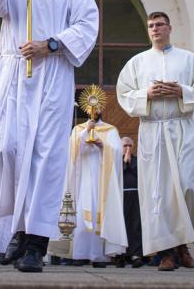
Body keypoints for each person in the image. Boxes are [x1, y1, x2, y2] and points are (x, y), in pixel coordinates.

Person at [0, 0, 99, 273]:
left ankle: (34, 244)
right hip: (13, 73)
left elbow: (87, 22)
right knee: (7, 148)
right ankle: (16, 224)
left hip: (51, 73)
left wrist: (52, 44)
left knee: (44, 157)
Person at [117, 11, 194, 271]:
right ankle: (167, 253)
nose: (155, 29)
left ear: (170, 28)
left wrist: (182, 91)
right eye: (151, 26)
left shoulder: (188, 59)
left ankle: (183, 243)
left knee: (186, 185)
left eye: (159, 25)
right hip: (152, 131)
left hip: (181, 127)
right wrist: (146, 93)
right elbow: (124, 94)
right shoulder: (137, 62)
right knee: (157, 192)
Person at [57, 96, 127, 267]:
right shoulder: (79, 129)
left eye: (96, 107)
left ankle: (99, 256)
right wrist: (85, 132)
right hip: (83, 178)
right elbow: (71, 151)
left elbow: (117, 152)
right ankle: (80, 254)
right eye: (90, 107)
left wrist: (103, 146)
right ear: (86, 109)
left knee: (99, 213)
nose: (93, 110)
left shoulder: (111, 130)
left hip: (102, 179)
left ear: (101, 108)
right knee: (81, 213)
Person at [119, 136, 144, 268]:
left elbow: (141, 175)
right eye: (125, 146)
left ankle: (136, 255)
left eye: (130, 146)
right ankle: (121, 255)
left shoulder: (137, 160)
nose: (128, 148)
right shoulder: (116, 160)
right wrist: (124, 163)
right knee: (121, 226)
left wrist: (129, 162)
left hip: (135, 195)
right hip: (120, 196)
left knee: (135, 225)